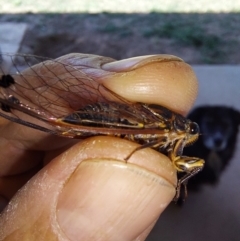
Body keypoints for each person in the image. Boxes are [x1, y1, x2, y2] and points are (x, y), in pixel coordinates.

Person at [0, 53, 198, 240]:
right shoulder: (166, 131)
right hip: (114, 120)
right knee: (60, 124)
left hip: (124, 120)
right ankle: (13, 99)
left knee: (59, 125)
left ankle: (13, 99)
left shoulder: (172, 137)